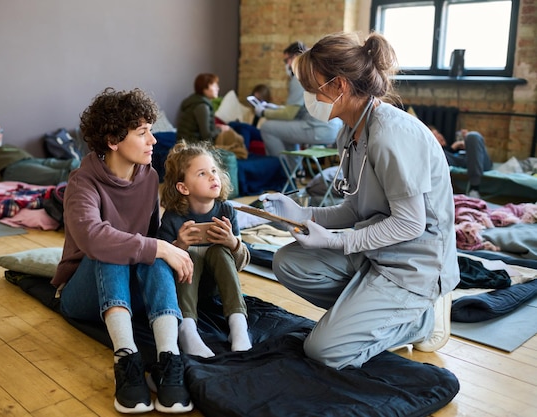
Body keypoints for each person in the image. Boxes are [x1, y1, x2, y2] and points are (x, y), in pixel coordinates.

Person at [259, 31, 460, 370]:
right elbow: (354, 208)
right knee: (287, 261)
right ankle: (367, 313)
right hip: (376, 254)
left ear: (339, 86)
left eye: (313, 87)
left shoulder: (391, 133)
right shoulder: (349, 132)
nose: (309, 97)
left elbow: (411, 223)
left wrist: (339, 242)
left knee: (324, 351)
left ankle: (419, 319)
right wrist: (302, 212)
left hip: (412, 267)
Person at [50, 87, 194, 414]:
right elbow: (92, 238)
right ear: (114, 140)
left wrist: (177, 246)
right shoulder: (82, 182)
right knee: (112, 248)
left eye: (150, 131)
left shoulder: (149, 176)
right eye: (143, 133)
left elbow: (150, 241)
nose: (153, 141)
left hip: (131, 290)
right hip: (81, 294)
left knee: (154, 252)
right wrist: (156, 247)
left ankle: (168, 357)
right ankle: (126, 359)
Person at [158, 141, 252, 358]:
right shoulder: (173, 217)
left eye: (213, 171)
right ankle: (187, 329)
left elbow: (242, 262)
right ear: (183, 187)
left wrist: (232, 242)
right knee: (189, 255)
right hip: (186, 292)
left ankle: (238, 326)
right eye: (202, 173)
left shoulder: (226, 210)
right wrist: (180, 245)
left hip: (216, 288)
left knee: (219, 251)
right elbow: (161, 270)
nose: (212, 177)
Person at [253, 41, 344, 170]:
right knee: (285, 132)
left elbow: (289, 114)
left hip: (319, 129)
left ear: (295, 57)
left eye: (287, 60)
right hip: (334, 129)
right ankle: (294, 172)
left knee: (267, 127)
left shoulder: (298, 76)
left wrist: (263, 112)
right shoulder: (315, 71)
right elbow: (298, 110)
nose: (287, 65)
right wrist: (275, 108)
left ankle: (281, 172)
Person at [0, 120, 79, 185]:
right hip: (13, 169)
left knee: (74, 163)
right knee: (61, 176)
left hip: (32, 161)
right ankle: (91, 185)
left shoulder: (7, 147)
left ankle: (94, 175)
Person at [176, 73, 252, 158]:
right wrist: (220, 129)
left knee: (232, 131)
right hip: (193, 146)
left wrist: (217, 128)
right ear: (205, 88)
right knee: (231, 135)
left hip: (190, 142)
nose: (218, 88)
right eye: (214, 86)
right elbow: (207, 137)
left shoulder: (197, 101)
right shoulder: (202, 107)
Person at [429, 126, 493, 199]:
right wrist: (452, 148)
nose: (439, 136)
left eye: (438, 133)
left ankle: (474, 188)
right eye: (435, 135)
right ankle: (474, 189)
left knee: (473, 136)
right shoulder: (440, 154)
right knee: (441, 153)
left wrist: (469, 144)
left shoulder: (457, 148)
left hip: (480, 163)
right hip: (460, 162)